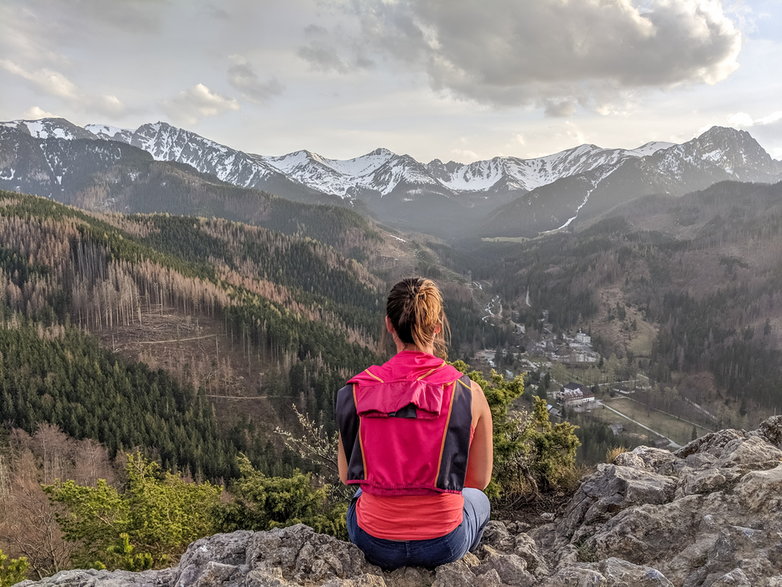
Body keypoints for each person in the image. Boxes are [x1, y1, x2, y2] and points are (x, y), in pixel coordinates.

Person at [335, 277, 493, 570]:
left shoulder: (355, 393)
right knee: (479, 500)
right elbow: (477, 481)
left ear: (389, 325)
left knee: (360, 493)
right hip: (444, 543)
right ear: (437, 325)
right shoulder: (469, 393)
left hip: (374, 543)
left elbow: (347, 476)